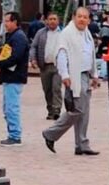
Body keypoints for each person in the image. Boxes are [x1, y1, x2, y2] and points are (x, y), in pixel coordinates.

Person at [42, 7, 99, 156]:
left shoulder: (87, 34)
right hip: (74, 74)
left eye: (85, 17)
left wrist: (95, 75)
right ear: (73, 17)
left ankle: (81, 144)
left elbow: (91, 55)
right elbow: (61, 54)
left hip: (85, 74)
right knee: (77, 109)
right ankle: (50, 133)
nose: (82, 19)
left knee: (84, 112)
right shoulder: (67, 33)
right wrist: (65, 75)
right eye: (79, 16)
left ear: (89, 20)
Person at [0, 11, 29, 146]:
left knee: (12, 108)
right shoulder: (13, 36)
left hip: (14, 77)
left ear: (15, 22)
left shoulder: (18, 37)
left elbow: (14, 58)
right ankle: (12, 133)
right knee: (7, 108)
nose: (5, 24)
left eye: (7, 21)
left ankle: (15, 135)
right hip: (9, 77)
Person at [30, 12, 62, 120]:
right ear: (46, 21)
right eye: (50, 19)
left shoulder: (63, 33)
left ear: (58, 21)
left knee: (56, 88)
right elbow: (34, 46)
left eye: (54, 19)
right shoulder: (41, 33)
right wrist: (33, 59)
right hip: (45, 66)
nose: (52, 21)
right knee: (47, 89)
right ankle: (50, 111)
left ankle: (57, 110)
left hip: (59, 67)